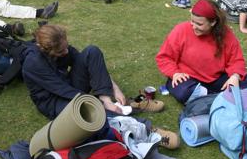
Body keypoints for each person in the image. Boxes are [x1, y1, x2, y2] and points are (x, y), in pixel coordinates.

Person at [20, 24, 179, 148]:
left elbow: (91, 65)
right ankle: (147, 130)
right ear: (48, 51)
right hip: (54, 101)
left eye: (67, 46)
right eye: (62, 51)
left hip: (67, 86)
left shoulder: (60, 48)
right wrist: (101, 103)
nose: (66, 51)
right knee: (92, 113)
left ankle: (123, 104)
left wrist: (112, 89)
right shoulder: (34, 63)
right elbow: (66, 92)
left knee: (91, 52)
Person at [156, 0, 247, 104]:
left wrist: (235, 76)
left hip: (216, 78)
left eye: (199, 24)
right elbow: (164, 57)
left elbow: (236, 60)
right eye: (192, 21)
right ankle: (226, 98)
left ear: (213, 22)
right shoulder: (180, 30)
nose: (194, 26)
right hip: (188, 79)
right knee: (184, 92)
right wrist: (175, 73)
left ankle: (209, 98)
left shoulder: (226, 34)